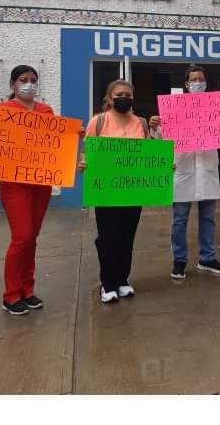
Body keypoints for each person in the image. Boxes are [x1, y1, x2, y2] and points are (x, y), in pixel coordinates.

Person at [0, 65, 54, 315]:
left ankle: (28, 289)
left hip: (41, 183)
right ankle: (11, 294)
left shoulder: (46, 111)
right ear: (12, 84)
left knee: (32, 238)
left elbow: (55, 143)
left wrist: (72, 136)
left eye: (33, 80)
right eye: (23, 80)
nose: (29, 84)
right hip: (14, 185)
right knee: (22, 237)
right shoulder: (1, 112)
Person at [148, 65, 220, 280]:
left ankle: (207, 258)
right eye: (194, 79)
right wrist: (155, 126)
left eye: (201, 79)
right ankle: (180, 261)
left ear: (206, 83)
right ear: (186, 84)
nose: (198, 82)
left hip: (208, 170)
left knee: (208, 218)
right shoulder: (174, 109)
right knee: (179, 219)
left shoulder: (216, 109)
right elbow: (161, 137)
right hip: (183, 171)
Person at [80, 80, 149, 303]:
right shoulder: (98, 122)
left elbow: (148, 155)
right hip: (106, 193)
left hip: (132, 191)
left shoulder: (141, 123)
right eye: (119, 94)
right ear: (110, 99)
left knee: (127, 237)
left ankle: (122, 280)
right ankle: (107, 283)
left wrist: (163, 166)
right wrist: (83, 164)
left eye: (128, 94)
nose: (124, 97)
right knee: (108, 237)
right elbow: (87, 153)